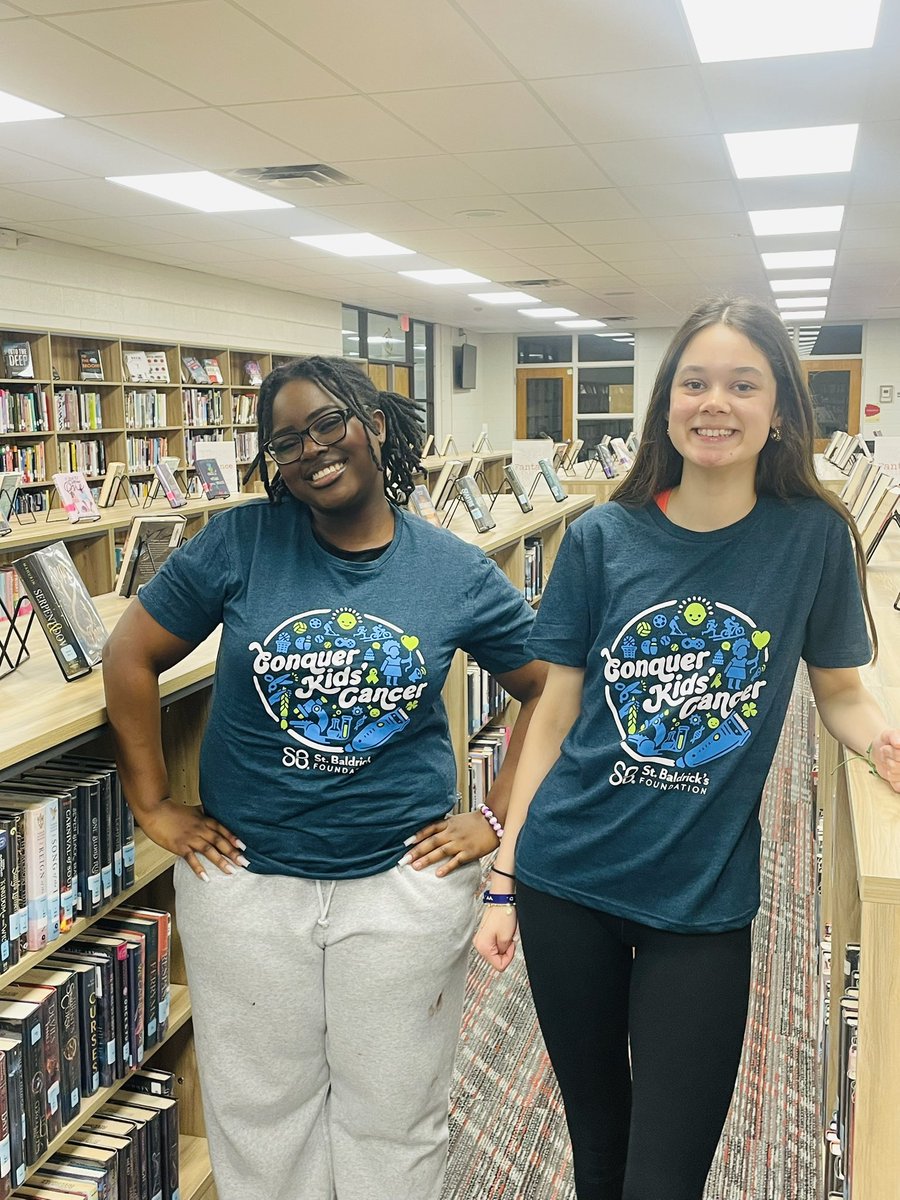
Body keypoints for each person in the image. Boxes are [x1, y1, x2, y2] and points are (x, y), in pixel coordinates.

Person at [474, 297, 900, 1200]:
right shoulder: (600, 537)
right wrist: (505, 879)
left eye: (744, 384)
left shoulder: (813, 538)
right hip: (568, 882)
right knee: (598, 1143)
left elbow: (841, 694)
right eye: (695, 382)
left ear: (781, 407)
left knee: (666, 1175)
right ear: (665, 403)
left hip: (700, 902)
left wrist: (883, 744)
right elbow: (550, 720)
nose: (717, 402)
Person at [102, 355, 545, 1200]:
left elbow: (547, 688)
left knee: (396, 1115)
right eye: (285, 440)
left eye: (327, 424)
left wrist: (491, 817)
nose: (310, 449)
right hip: (245, 885)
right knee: (261, 1114)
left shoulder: (450, 569)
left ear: (373, 425)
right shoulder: (241, 540)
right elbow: (131, 653)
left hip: (400, 885)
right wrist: (151, 803)